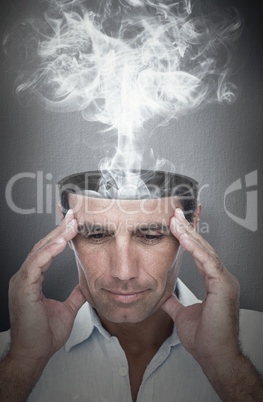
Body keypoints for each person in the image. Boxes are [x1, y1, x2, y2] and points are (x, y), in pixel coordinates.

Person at [0, 171, 263, 402]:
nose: (123, 273)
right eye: (97, 234)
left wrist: (227, 366)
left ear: (192, 225)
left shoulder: (257, 342)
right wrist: (23, 362)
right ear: (65, 224)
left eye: (150, 236)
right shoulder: (12, 357)